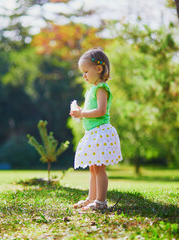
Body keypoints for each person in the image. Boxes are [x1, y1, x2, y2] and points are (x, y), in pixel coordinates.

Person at [70, 48, 123, 210]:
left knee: (99, 168)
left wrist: (82, 113)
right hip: (93, 133)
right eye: (82, 73)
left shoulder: (101, 88)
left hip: (101, 133)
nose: (84, 76)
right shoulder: (92, 89)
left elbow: (101, 111)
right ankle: (91, 198)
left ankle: (101, 202)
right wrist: (80, 113)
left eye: (86, 71)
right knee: (93, 167)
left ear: (99, 69)